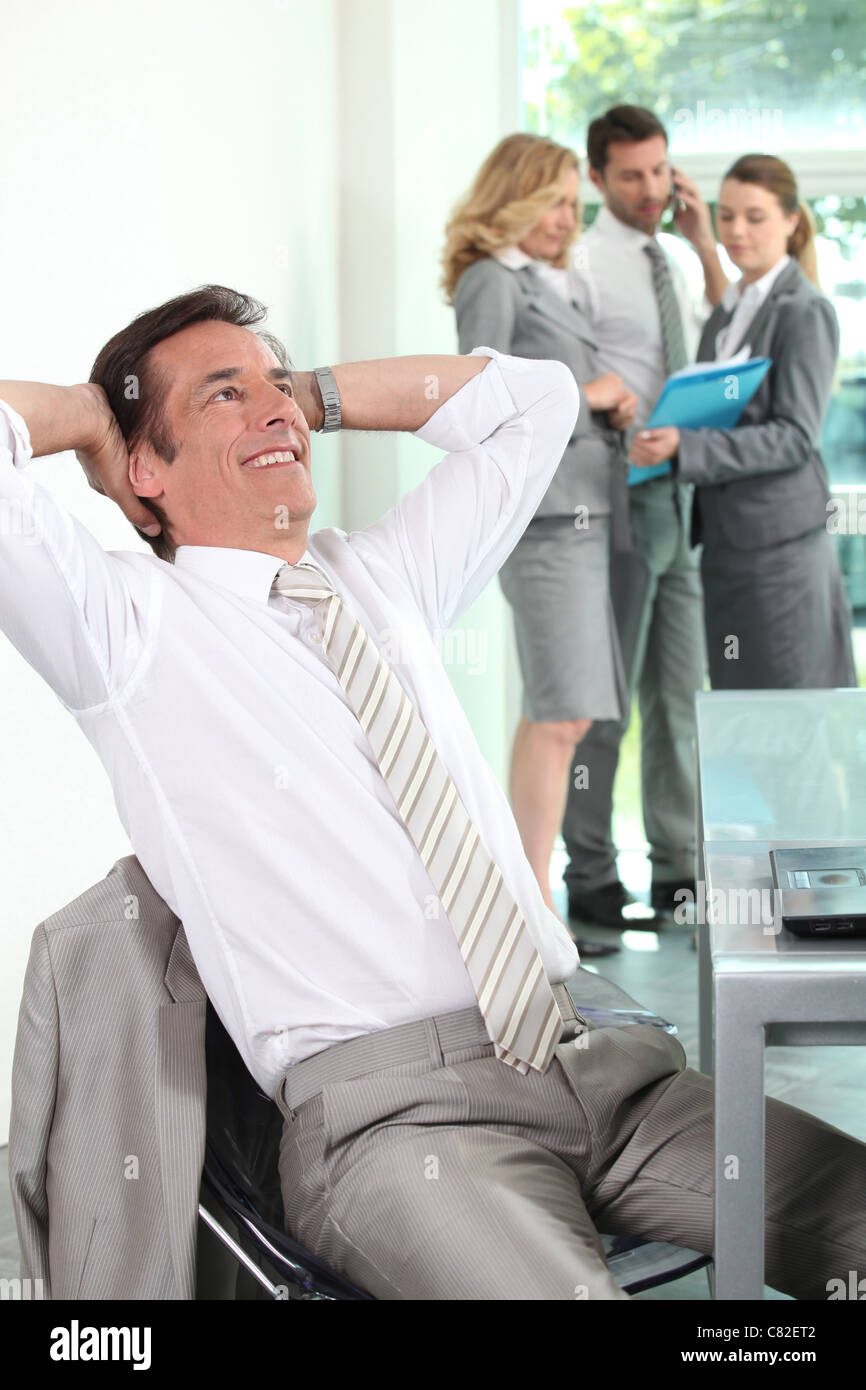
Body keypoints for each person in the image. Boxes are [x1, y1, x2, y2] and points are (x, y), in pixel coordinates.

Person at [2, 286, 864, 1301]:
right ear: (147, 465)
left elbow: (536, 401)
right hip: (397, 1119)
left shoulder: (385, 576)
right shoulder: (127, 628)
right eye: (223, 397)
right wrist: (96, 418)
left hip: (596, 1062)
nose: (272, 410)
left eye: (275, 386)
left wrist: (309, 395)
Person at [443, 132, 640, 952]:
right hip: (551, 521)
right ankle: (536, 907)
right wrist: (587, 396)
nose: (569, 218)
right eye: (556, 201)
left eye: (573, 203)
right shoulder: (491, 280)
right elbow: (475, 403)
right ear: (515, 196)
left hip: (585, 516)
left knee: (561, 714)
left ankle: (533, 896)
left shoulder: (536, 283)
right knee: (563, 717)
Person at [560, 104, 729, 931]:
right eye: (631, 175)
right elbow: (571, 379)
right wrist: (626, 425)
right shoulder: (583, 263)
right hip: (621, 492)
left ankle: (678, 871)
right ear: (597, 178)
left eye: (661, 171)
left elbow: (721, 346)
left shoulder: (680, 259)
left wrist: (704, 243)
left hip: (683, 495)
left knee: (680, 694)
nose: (652, 188)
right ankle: (591, 874)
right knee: (607, 694)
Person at [631, 153, 856, 690]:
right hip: (728, 550)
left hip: (779, 555)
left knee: (787, 725)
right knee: (742, 721)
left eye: (755, 217)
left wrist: (685, 446)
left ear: (791, 220)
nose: (737, 230)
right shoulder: (731, 311)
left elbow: (795, 436)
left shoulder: (804, 310)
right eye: (727, 215)